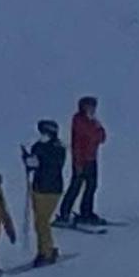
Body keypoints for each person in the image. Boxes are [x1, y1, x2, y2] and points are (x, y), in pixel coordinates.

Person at [58, 96, 107, 226]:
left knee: (91, 186)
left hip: (92, 159)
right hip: (81, 160)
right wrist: (78, 163)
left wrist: (97, 127)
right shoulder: (79, 120)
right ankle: (64, 213)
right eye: (89, 106)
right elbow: (79, 141)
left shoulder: (93, 121)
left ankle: (86, 212)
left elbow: (102, 138)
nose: (92, 109)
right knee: (76, 186)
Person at [25, 120, 66, 266]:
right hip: (39, 187)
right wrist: (29, 161)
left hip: (51, 189)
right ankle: (46, 248)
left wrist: (35, 162)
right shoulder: (39, 146)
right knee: (40, 222)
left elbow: (52, 166)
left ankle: (46, 252)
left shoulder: (57, 148)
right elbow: (35, 165)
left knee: (42, 222)